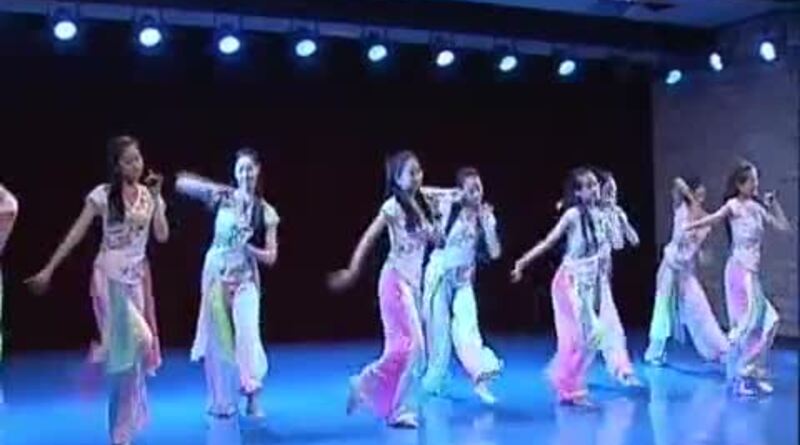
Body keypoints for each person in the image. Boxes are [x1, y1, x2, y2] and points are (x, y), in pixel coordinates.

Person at [27, 136, 169, 444]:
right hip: (109, 279)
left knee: (127, 365)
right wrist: (49, 269)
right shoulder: (103, 196)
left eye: (138, 158)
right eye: (128, 161)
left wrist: (158, 200)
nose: (136, 165)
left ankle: (120, 435)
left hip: (136, 282)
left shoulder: (149, 196)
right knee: (142, 339)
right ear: (117, 166)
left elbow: (161, 235)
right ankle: (99, 355)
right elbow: (75, 234)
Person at [328, 150, 446, 428]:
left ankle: (365, 385)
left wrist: (440, 215)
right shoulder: (393, 206)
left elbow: (438, 242)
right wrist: (353, 269)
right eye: (410, 173)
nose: (417, 177)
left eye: (419, 171)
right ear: (397, 178)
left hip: (411, 287)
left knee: (400, 351)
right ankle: (394, 408)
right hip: (395, 282)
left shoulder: (422, 206)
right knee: (416, 349)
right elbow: (368, 238)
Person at [175, 148, 279, 418]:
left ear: (258, 171)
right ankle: (221, 399)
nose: (246, 174)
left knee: (248, 336)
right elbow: (182, 183)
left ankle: (253, 396)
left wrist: (248, 248)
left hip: (245, 279)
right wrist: (212, 188)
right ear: (235, 172)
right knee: (218, 340)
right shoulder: (225, 199)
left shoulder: (265, 212)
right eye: (241, 169)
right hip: (217, 276)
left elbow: (271, 256)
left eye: (250, 169)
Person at [684, 161, 790, 396]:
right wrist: (690, 227)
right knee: (748, 322)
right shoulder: (734, 206)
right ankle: (740, 374)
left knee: (769, 321)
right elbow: (714, 218)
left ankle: (751, 370)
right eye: (752, 180)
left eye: (756, 180)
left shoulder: (757, 208)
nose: (756, 184)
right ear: (740, 185)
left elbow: (784, 228)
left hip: (751, 274)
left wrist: (774, 205)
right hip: (739, 271)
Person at [510, 167, 606, 406]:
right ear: (578, 192)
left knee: (588, 337)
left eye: (595, 184)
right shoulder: (572, 215)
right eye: (588, 186)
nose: (594, 189)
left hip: (585, 283)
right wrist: (522, 262)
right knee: (590, 334)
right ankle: (571, 388)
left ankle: (566, 384)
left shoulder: (599, 216)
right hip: (568, 282)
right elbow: (549, 241)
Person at [420, 167, 502, 404]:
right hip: (440, 275)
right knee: (439, 334)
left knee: (468, 328)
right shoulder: (449, 207)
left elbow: (495, 253)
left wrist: (488, 225)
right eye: (471, 189)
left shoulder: (485, 217)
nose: (477, 193)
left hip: (464, 280)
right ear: (461, 191)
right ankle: (434, 382)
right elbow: (421, 191)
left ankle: (481, 378)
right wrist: (449, 194)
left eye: (479, 187)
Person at [644, 177, 728, 366]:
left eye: (703, 196)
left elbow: (698, 247)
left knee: (700, 309)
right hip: (669, 266)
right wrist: (690, 198)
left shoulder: (705, 220)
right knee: (662, 309)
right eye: (698, 194)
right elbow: (677, 182)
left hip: (686, 271)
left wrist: (702, 254)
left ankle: (718, 351)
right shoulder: (681, 208)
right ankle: (654, 352)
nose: (701, 198)